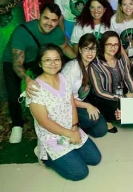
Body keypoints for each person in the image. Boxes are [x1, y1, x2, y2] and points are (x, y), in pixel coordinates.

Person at [3, 3, 76, 143]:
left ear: (58, 20)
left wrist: (81, 60)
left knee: (48, 86)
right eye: (46, 18)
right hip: (14, 61)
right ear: (39, 16)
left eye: (54, 20)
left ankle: (48, 118)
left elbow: (65, 49)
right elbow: (17, 64)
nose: (49, 23)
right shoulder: (22, 31)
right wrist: (27, 79)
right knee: (13, 92)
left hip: (38, 59)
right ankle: (17, 125)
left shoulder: (57, 33)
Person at [26, 44, 101, 181]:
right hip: (53, 136)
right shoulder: (35, 89)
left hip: (71, 128)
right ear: (39, 63)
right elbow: (44, 121)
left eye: (57, 59)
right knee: (80, 173)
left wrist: (75, 127)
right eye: (48, 60)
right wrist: (69, 134)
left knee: (95, 159)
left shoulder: (63, 78)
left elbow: (72, 104)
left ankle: (70, 151)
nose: (53, 64)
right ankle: (46, 157)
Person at [89, 31, 133, 133]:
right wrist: (123, 98)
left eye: (116, 44)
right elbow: (99, 91)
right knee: (116, 108)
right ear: (103, 45)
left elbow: (128, 78)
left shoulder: (121, 59)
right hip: (103, 98)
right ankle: (107, 119)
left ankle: (118, 112)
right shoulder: (95, 64)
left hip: (119, 92)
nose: (113, 48)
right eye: (109, 44)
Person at [62, 34, 108, 138]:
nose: (90, 53)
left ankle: (80, 126)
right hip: (68, 105)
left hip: (80, 100)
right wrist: (88, 106)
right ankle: (70, 126)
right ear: (79, 49)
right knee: (91, 119)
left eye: (93, 49)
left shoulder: (92, 66)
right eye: (86, 49)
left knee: (101, 130)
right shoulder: (71, 68)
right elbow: (64, 98)